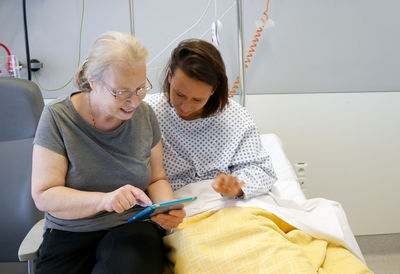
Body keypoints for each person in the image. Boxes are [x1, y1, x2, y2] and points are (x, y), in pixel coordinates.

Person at [31, 31, 185, 274]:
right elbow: (44, 195)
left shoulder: (145, 116)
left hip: (131, 227)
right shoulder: (58, 118)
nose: (133, 102)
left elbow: (156, 179)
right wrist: (104, 200)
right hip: (70, 231)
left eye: (140, 88)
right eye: (120, 92)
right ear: (92, 81)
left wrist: (167, 207)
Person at [145, 39, 276, 198]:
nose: (185, 107)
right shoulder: (148, 113)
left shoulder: (235, 117)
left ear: (213, 90)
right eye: (179, 94)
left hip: (224, 203)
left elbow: (263, 171)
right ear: (170, 76)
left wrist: (237, 185)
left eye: (197, 100)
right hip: (174, 203)